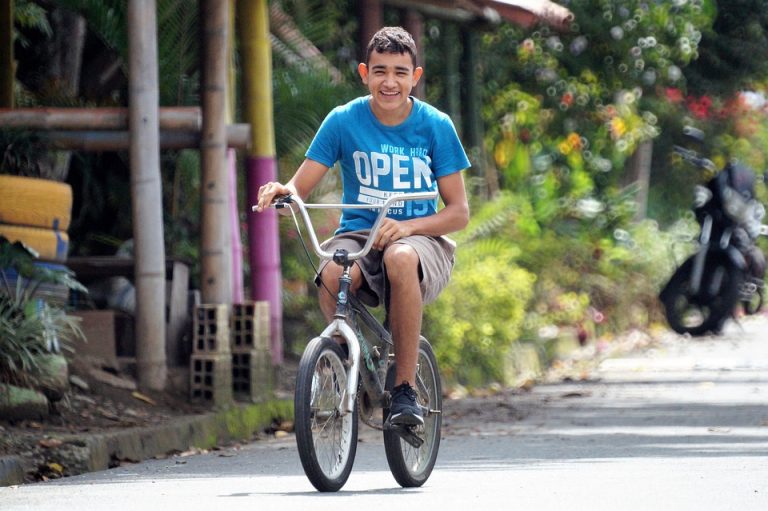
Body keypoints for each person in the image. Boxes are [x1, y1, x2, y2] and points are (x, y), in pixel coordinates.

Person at [256, 26, 470, 427]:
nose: (389, 82)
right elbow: (298, 191)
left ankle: (405, 389)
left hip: (421, 239)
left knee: (401, 258)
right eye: (380, 71)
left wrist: (408, 228)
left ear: (415, 76)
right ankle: (346, 364)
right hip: (359, 237)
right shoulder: (343, 121)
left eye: (400, 72)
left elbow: (458, 213)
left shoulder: (435, 125)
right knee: (331, 273)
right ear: (363, 73)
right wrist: (282, 194)